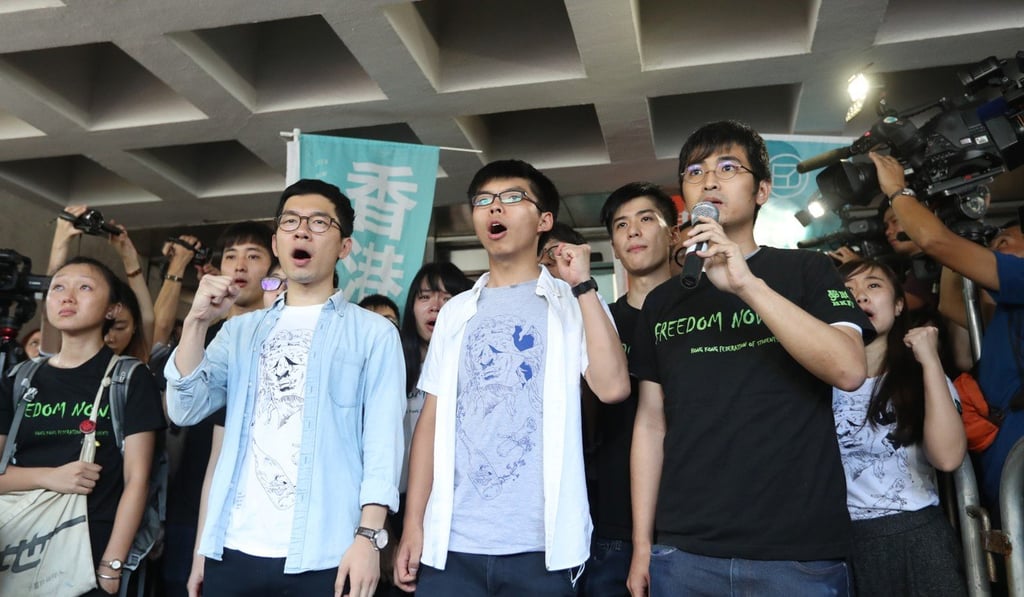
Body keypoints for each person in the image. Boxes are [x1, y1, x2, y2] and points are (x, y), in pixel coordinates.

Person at [627, 121, 872, 596]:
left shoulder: (807, 270)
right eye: (694, 172)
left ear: (762, 190)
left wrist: (746, 285)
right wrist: (643, 546)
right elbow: (651, 424)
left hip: (797, 553)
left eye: (727, 168)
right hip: (685, 550)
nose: (709, 181)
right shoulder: (662, 302)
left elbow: (848, 369)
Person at [394, 159, 630, 596]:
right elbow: (430, 422)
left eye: (512, 197)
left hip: (541, 549)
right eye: (483, 200)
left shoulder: (571, 301)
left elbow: (614, 387)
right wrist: (413, 525)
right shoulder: (456, 312)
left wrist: (582, 285)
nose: (494, 207)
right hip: (452, 546)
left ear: (545, 220)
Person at [166, 178, 405, 596]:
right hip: (232, 548)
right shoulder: (240, 331)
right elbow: (184, 408)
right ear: (277, 243)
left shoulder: (373, 333)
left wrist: (369, 538)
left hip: (325, 552)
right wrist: (197, 322)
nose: (302, 231)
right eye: (290, 221)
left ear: (344, 247)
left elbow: (383, 444)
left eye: (318, 222)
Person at [0, 256, 165, 596]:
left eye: (85, 287)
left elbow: (137, 480)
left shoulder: (129, 378)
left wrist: (112, 565)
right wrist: (49, 477)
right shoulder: (20, 379)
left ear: (112, 309)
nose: (68, 297)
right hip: (17, 547)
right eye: (58, 287)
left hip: (88, 555)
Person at [873, 150, 1024, 507]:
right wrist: (953, 233)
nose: (993, 251)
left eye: (1004, 242)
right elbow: (951, 305)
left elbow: (935, 242)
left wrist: (898, 192)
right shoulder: (1009, 309)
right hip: (1005, 474)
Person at [834, 259, 966, 595]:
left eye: (873, 285)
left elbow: (948, 458)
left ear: (898, 305)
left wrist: (930, 361)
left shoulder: (920, 375)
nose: (860, 296)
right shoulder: (816, 382)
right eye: (847, 290)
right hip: (838, 541)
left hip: (916, 536)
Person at [161, 222, 276, 597]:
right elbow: (177, 407)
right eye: (230, 256)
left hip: (250, 511)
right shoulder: (203, 333)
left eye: (253, 256)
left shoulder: (279, 341)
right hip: (188, 498)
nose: (240, 266)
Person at [584, 182, 677, 596]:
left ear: (674, 233)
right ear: (615, 248)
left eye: (646, 219)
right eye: (621, 225)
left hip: (693, 521)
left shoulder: (702, 317)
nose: (633, 231)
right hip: (612, 523)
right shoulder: (598, 323)